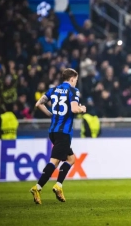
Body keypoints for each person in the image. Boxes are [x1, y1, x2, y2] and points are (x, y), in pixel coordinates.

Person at [30, 68, 86, 204]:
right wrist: (82, 109)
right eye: (76, 80)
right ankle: (37, 187)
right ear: (72, 79)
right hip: (64, 133)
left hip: (53, 131)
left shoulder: (53, 89)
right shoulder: (73, 91)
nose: (76, 83)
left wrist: (51, 114)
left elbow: (38, 104)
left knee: (71, 159)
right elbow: (73, 109)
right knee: (54, 161)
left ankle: (59, 186)